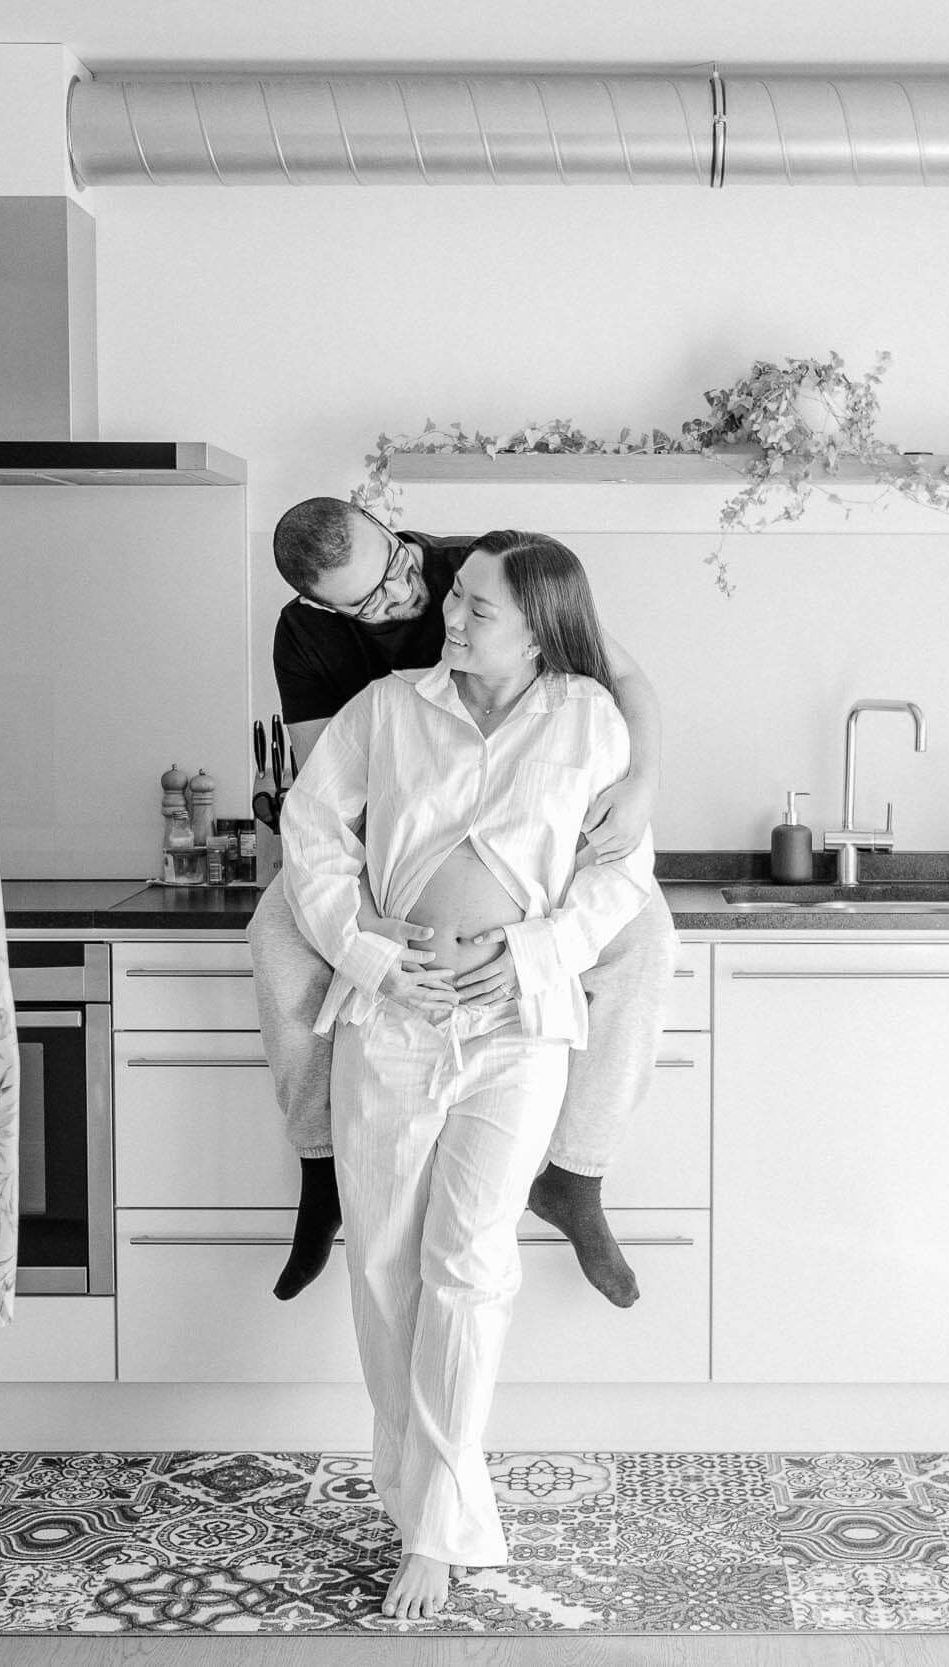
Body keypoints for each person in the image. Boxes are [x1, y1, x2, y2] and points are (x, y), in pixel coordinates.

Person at [277, 531, 662, 1618]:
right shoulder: (389, 706)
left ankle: (437, 1533)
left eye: (478, 607)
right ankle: (421, 1506)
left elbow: (621, 870)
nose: (451, 617)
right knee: (385, 1264)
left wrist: (529, 953)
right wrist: (368, 952)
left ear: (540, 620)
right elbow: (309, 835)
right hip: (392, 1014)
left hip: (517, 1024)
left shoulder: (590, 717)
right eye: (453, 600)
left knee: (469, 1262)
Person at [246, 498, 676, 1308]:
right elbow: (326, 786)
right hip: (401, 825)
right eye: (371, 602)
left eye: (401, 565)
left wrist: (643, 784)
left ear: (386, 525)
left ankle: (576, 1172)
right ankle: (320, 1165)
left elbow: (626, 678)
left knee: (648, 939)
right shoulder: (304, 638)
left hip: (524, 820)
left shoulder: (478, 571)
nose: (408, 594)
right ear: (322, 606)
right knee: (275, 935)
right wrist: (365, 914)